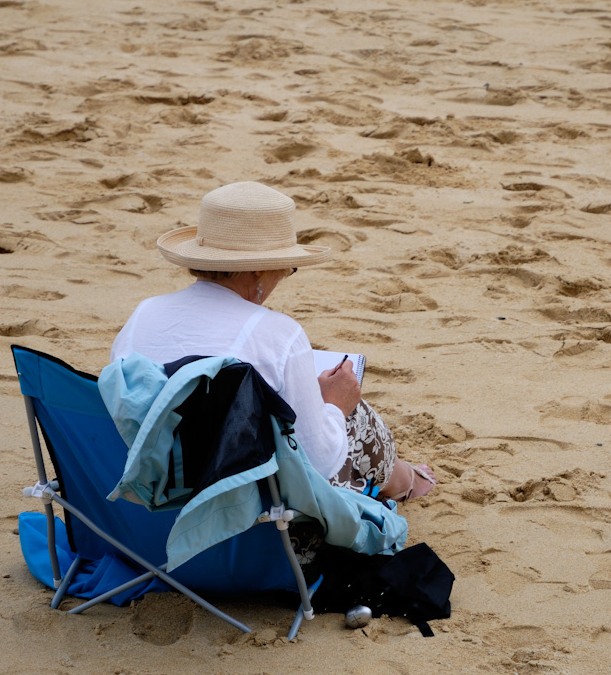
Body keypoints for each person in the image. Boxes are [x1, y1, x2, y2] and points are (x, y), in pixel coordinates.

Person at [110, 181, 435, 501]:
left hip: (149, 499)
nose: (283, 276)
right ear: (258, 270)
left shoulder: (144, 314)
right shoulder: (279, 333)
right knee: (351, 411)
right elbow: (320, 463)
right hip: (253, 521)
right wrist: (335, 406)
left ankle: (402, 476)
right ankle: (404, 480)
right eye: (287, 267)